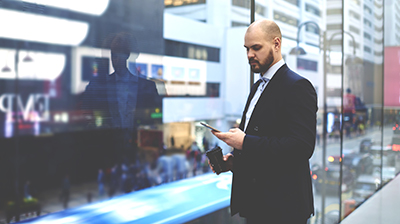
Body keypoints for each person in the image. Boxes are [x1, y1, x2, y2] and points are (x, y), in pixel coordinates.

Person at [209, 19, 317, 223]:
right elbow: (263, 141)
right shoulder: (257, 87)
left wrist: (244, 142)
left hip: (283, 209)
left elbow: (301, 147)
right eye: (247, 49)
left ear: (277, 44)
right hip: (257, 205)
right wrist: (236, 162)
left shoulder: (298, 86)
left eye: (256, 47)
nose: (249, 55)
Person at [81, 31, 163, 163]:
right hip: (107, 152)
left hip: (139, 152)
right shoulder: (97, 87)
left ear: (128, 56)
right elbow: (86, 119)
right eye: (113, 55)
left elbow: (156, 122)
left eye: (120, 54)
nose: (116, 60)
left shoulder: (148, 87)